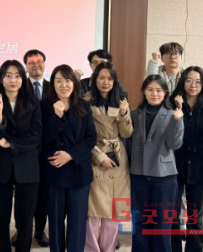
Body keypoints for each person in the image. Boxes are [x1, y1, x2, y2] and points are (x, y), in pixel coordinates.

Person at [41, 64, 96, 252]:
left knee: (77, 223)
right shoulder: (44, 106)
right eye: (58, 81)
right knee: (55, 222)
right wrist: (57, 117)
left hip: (78, 172)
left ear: (74, 83)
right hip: (54, 173)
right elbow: (43, 138)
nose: (63, 85)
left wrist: (71, 155)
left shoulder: (84, 105)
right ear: (53, 84)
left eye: (67, 80)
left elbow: (90, 138)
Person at [0, 60, 42, 252]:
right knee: (1, 218)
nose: (13, 80)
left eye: (18, 76)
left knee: (25, 219)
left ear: (23, 78)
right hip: (0, 167)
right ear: (1, 79)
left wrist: (11, 144)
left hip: (27, 167)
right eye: (8, 76)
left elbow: (36, 135)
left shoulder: (32, 103)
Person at [130, 74, 184, 252]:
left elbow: (174, 144)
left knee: (162, 225)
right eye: (150, 90)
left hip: (164, 176)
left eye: (159, 90)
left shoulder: (172, 114)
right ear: (144, 92)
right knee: (140, 221)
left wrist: (177, 121)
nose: (154, 94)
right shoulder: (134, 114)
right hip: (139, 174)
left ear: (165, 92)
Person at [169, 66, 203, 252]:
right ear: (183, 82)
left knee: (195, 217)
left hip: (199, 169)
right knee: (172, 215)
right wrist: (178, 109)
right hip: (173, 168)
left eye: (198, 82)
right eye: (189, 80)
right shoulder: (170, 105)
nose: (193, 85)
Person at [84, 62, 132, 252]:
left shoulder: (120, 100)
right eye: (102, 78)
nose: (106, 82)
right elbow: (82, 135)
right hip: (95, 155)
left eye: (110, 78)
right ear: (94, 80)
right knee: (93, 211)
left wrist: (125, 114)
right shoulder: (85, 102)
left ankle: (109, 248)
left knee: (114, 210)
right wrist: (98, 156)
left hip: (118, 157)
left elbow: (127, 133)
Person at [19, 49, 50, 247]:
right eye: (31, 62)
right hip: (25, 150)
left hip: (47, 150)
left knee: (42, 195)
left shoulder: (53, 87)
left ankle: (40, 230)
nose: (36, 65)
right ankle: (22, 231)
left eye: (39, 61)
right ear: (26, 66)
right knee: (23, 194)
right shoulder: (19, 86)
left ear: (44, 63)